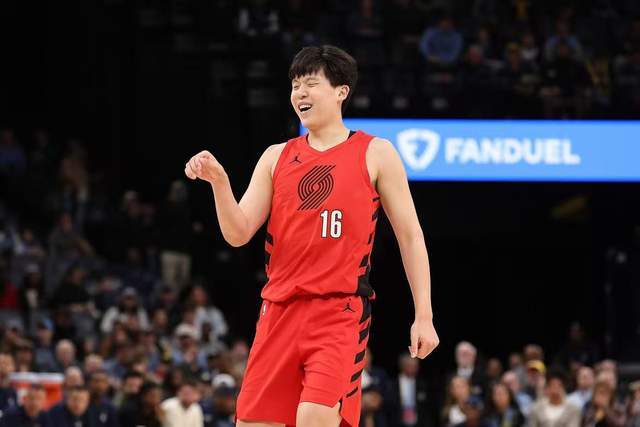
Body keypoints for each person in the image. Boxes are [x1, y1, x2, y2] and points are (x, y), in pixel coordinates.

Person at [184, 44, 439, 427]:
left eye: (310, 83)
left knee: (315, 418)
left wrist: (424, 316)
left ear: (341, 91)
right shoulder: (276, 156)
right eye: (295, 85)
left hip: (338, 312)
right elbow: (238, 233)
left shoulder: (376, 152)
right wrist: (219, 183)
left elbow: (411, 237)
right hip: (279, 311)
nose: (300, 93)